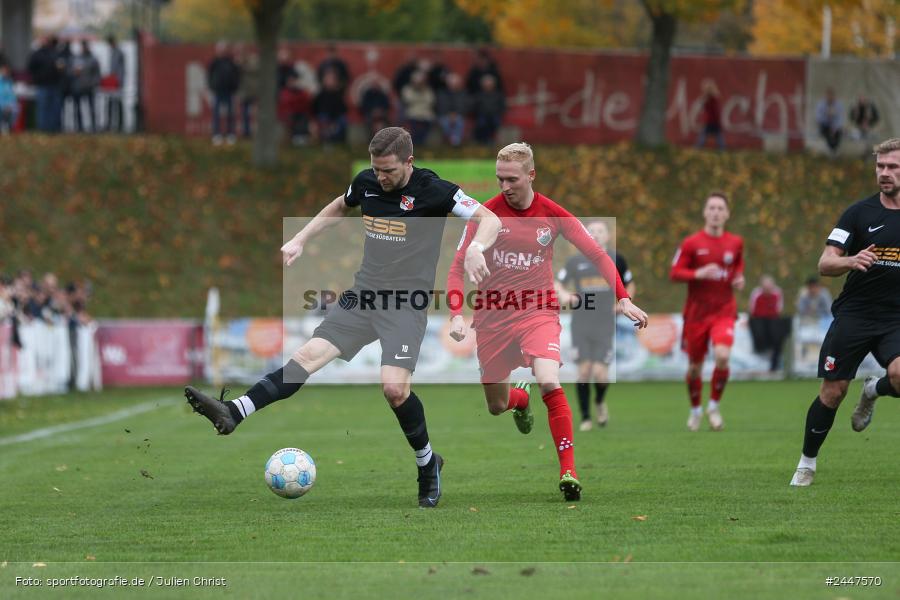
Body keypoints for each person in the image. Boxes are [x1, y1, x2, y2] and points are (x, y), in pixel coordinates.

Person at [185, 127, 502, 508]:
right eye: (376, 169)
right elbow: (340, 205)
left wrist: (476, 249)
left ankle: (427, 464)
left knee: (394, 390)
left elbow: (490, 219)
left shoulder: (434, 190)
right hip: (363, 296)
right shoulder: (366, 182)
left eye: (388, 170)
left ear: (409, 162)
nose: (381, 177)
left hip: (405, 304)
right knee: (306, 358)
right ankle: (235, 411)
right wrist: (301, 237)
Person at [446, 143, 648, 501]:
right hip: (492, 318)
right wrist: (456, 313)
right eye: (499, 178)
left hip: (537, 311)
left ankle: (568, 470)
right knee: (496, 405)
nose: (504, 186)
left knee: (549, 380)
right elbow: (457, 264)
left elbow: (598, 254)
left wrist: (623, 297)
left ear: (531, 175)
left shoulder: (552, 214)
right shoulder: (486, 215)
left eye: (512, 179)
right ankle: (519, 402)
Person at [789, 137, 900, 487]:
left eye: (893, 167)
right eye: (880, 166)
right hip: (855, 314)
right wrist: (851, 260)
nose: (885, 173)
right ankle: (807, 462)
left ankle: (872, 391)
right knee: (833, 392)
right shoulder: (858, 213)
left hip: (895, 318)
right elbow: (825, 263)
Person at [670, 193, 745, 432]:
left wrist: (739, 279)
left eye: (720, 208)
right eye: (711, 208)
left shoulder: (735, 242)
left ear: (727, 214)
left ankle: (713, 406)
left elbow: (737, 266)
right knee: (695, 367)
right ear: (705, 212)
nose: (715, 212)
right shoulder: (691, 243)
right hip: (696, 314)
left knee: (722, 356)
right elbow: (675, 273)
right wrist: (697, 274)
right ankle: (695, 411)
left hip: (724, 311)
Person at [556, 219, 635, 431]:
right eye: (591, 231)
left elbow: (630, 284)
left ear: (608, 236)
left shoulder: (616, 259)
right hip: (581, 322)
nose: (596, 235)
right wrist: (564, 295)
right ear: (584, 236)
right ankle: (585, 418)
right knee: (583, 372)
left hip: (605, 323)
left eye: (600, 231)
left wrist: (623, 304)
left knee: (600, 374)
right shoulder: (575, 261)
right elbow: (558, 283)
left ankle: (599, 401)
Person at [748, 274, 789, 372]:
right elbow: (752, 310)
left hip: (772, 320)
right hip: (759, 320)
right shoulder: (756, 293)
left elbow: (779, 310)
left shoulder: (777, 293)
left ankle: (774, 363)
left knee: (777, 335)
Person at [207, 41, 241, 145]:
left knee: (230, 114)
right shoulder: (214, 62)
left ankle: (231, 134)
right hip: (218, 91)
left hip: (229, 92)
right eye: (220, 48)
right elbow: (209, 76)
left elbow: (237, 76)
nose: (222, 51)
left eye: (223, 48)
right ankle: (216, 135)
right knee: (216, 115)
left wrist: (235, 89)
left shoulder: (231, 62)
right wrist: (212, 87)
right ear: (217, 50)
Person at [695, 79, 724, 150]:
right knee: (716, 137)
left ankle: (697, 149)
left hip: (711, 121)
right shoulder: (710, 98)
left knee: (705, 137)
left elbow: (715, 109)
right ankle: (722, 150)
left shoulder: (713, 98)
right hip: (711, 121)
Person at [105, 35, 126, 132]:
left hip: (117, 82)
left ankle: (119, 125)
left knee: (118, 103)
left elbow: (119, 69)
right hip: (113, 82)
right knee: (110, 103)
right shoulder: (113, 52)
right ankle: (111, 124)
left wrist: (118, 81)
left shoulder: (119, 52)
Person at [815, 88, 844, 155]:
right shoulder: (821, 104)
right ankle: (831, 150)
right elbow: (818, 118)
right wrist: (826, 115)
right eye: (828, 96)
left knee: (838, 134)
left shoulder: (838, 105)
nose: (830, 97)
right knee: (827, 134)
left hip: (835, 127)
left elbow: (840, 118)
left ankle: (834, 150)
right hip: (825, 125)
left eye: (831, 96)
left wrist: (835, 127)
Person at [0, 63, 18, 134]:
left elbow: (12, 96)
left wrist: (11, 105)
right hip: (2, 106)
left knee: (15, 109)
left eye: (6, 71)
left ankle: (9, 128)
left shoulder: (9, 82)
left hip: (9, 106)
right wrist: (3, 105)